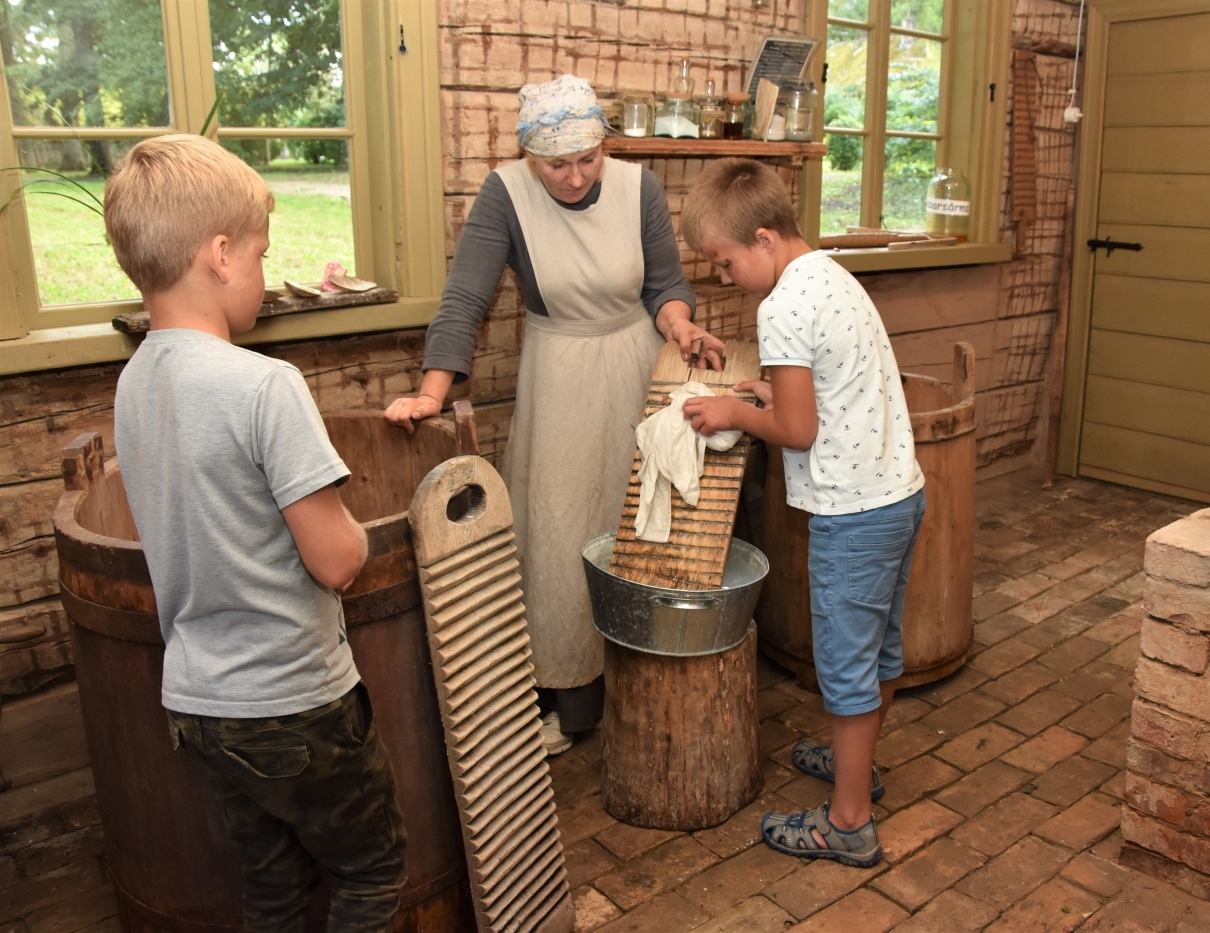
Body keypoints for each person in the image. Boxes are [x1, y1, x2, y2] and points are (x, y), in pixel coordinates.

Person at [108, 135, 407, 930]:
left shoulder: (135, 382)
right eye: (262, 253)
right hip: (293, 698)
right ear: (220, 255)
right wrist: (352, 521)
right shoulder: (264, 385)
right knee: (371, 869)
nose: (265, 276)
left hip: (200, 702)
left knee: (272, 883)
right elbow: (337, 560)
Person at [384, 75, 724, 755]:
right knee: (563, 535)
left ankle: (642, 674)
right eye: (556, 164)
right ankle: (571, 696)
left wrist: (681, 328)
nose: (574, 177)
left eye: (587, 158)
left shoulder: (639, 188)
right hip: (560, 374)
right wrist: (431, 390)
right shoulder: (503, 195)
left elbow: (664, 286)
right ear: (528, 156)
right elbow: (464, 300)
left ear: (605, 144)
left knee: (638, 523)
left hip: (636, 364)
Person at [680, 158, 925, 867]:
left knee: (845, 667)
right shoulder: (830, 273)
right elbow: (825, 385)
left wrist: (731, 408)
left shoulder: (782, 305)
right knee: (876, 651)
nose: (724, 279)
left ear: (761, 238)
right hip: (898, 494)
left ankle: (848, 821)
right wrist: (772, 391)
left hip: (852, 514)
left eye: (725, 264)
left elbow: (798, 430)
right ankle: (859, 767)